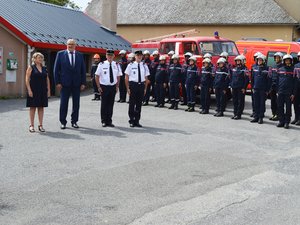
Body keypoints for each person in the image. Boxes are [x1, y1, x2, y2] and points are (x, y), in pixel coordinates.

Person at [54, 39, 86, 129]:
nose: (70, 46)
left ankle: (74, 121)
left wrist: (83, 82)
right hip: (64, 84)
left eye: (72, 44)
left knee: (76, 104)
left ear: (75, 45)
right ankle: (63, 122)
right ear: (66, 45)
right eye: (68, 44)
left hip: (77, 83)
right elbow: (56, 70)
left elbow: (83, 70)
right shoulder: (60, 54)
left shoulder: (80, 55)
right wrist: (57, 82)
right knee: (63, 104)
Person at [95, 49, 122, 127]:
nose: (110, 56)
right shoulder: (101, 64)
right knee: (104, 104)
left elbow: (118, 76)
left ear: (113, 56)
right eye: (108, 55)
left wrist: (117, 86)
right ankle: (103, 121)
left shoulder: (116, 64)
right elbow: (96, 76)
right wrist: (98, 87)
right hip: (104, 87)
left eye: (111, 55)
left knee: (111, 104)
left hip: (112, 87)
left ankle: (109, 121)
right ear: (106, 56)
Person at [26, 52, 50, 133]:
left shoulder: (44, 68)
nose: (40, 59)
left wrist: (48, 90)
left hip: (43, 90)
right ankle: (31, 126)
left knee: (41, 107)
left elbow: (47, 79)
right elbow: (27, 79)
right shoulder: (31, 67)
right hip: (33, 90)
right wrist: (29, 90)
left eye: (41, 58)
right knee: (33, 107)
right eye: (39, 58)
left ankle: (40, 125)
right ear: (34, 59)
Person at [125, 50, 150, 127]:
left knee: (139, 104)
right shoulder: (130, 65)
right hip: (133, 85)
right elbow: (126, 77)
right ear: (135, 56)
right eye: (137, 55)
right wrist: (127, 88)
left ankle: (137, 120)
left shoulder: (144, 65)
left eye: (140, 55)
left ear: (142, 56)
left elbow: (146, 78)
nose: (139, 57)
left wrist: (145, 88)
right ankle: (131, 120)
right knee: (132, 103)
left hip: (141, 85)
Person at [276, 54, 296, 129]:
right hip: (280, 92)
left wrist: (293, 93)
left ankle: (287, 122)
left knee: (288, 108)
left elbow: (295, 83)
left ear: (291, 61)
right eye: (286, 60)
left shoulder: (293, 70)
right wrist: (277, 91)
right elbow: (277, 81)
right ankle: (281, 121)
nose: (287, 61)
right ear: (284, 61)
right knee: (280, 107)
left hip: (289, 93)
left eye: (289, 60)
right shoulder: (280, 69)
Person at [250, 54, 271, 124]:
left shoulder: (267, 69)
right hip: (255, 89)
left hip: (263, 90)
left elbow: (269, 81)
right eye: (258, 60)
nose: (259, 61)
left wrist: (267, 90)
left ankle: (260, 118)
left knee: (262, 104)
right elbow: (252, 79)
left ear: (264, 61)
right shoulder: (254, 67)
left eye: (260, 60)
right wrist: (252, 87)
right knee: (256, 103)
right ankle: (256, 117)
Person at [230, 55, 249, 120]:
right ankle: (235, 113)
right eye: (237, 61)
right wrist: (231, 86)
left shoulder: (245, 69)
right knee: (235, 101)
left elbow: (246, 79)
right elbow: (232, 78)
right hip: (234, 87)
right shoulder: (234, 69)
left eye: (239, 61)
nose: (238, 62)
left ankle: (239, 114)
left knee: (240, 102)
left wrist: (244, 88)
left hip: (241, 88)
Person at [269, 52, 283, 121]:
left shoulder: (282, 67)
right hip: (272, 87)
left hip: (279, 87)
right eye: (276, 57)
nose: (277, 59)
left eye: (278, 57)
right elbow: (270, 76)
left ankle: (278, 115)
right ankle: (274, 114)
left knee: (278, 103)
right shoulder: (273, 66)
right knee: (273, 102)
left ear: (281, 58)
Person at [292, 52, 300, 125]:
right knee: (295, 104)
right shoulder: (296, 65)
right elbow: (293, 77)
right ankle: (296, 118)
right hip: (296, 87)